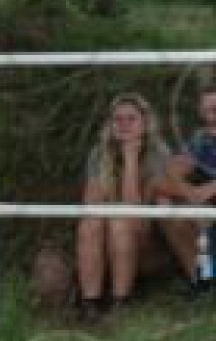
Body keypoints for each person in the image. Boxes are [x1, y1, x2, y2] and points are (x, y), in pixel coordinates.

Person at [73, 94, 200, 323]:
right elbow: (91, 204)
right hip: (107, 236)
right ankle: (90, 304)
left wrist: (130, 159)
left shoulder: (158, 153)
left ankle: (121, 303)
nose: (124, 125)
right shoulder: (99, 153)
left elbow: (135, 213)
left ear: (145, 122)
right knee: (90, 224)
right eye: (118, 119)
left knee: (120, 222)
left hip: (145, 237)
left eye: (131, 119)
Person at [167, 85, 216, 296]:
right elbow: (170, 173)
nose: (212, 115)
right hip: (207, 204)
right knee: (166, 203)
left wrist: (210, 188)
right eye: (207, 109)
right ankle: (203, 278)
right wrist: (190, 192)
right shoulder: (200, 139)